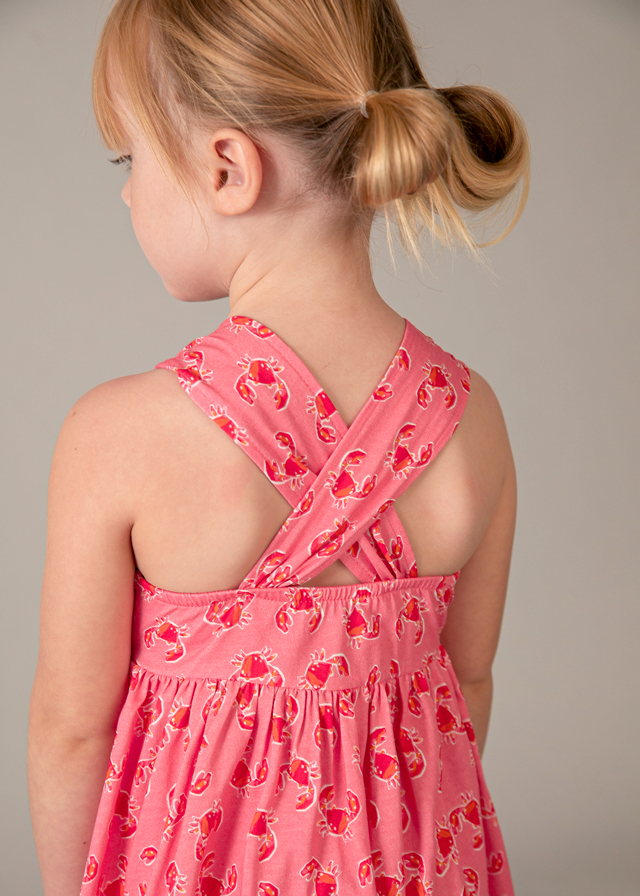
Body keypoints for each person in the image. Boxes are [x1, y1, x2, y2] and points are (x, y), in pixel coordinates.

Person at [28, 1, 530, 893]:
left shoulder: (118, 434)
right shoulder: (472, 416)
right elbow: (468, 686)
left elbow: (72, 732)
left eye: (130, 158)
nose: (127, 190)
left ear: (228, 168)